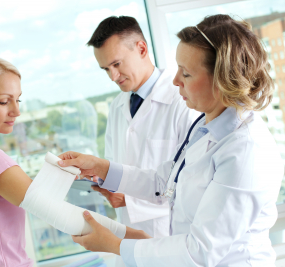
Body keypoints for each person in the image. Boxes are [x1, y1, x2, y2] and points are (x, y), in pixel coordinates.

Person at [58, 14, 284, 266]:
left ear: (222, 79)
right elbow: (165, 181)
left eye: (185, 74)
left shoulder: (245, 151)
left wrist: (114, 244)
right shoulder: (206, 127)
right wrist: (100, 167)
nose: (175, 80)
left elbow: (200, 251)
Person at [0, 55, 148, 267]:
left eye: (17, 99)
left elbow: (31, 197)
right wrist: (136, 237)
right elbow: (60, 214)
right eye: (3, 101)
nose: (16, 111)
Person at [86, 16, 198, 266]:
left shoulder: (184, 101)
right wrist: (104, 184)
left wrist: (129, 199)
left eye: (116, 64)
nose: (112, 76)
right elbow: (113, 168)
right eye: (105, 69)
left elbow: (192, 184)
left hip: (171, 240)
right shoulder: (117, 106)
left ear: (142, 49)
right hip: (127, 244)